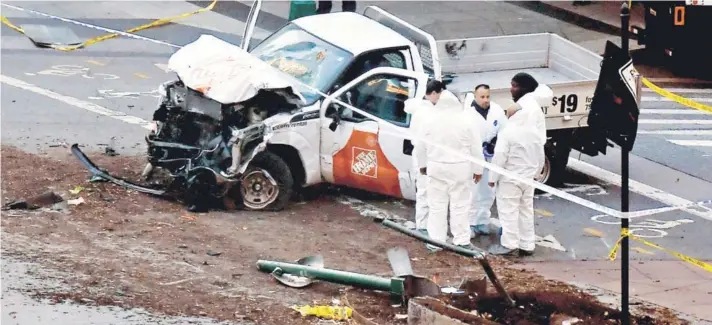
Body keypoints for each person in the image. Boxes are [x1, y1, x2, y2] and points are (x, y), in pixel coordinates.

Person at [415, 80, 484, 252]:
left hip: (436, 166)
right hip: (460, 168)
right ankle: (461, 240)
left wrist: (423, 165)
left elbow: (420, 146)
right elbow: (476, 147)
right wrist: (478, 170)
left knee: (437, 206)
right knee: (460, 205)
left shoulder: (429, 119)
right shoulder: (466, 119)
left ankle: (436, 241)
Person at [486, 74, 549, 256]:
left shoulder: (508, 133)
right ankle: (527, 244)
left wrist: (492, 179)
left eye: (514, 86)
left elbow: (499, 158)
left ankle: (509, 244)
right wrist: (535, 173)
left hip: (509, 178)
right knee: (526, 210)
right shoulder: (534, 132)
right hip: (527, 177)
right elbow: (540, 156)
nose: (511, 89)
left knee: (508, 211)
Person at [464, 84, 507, 237]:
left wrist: (495, 142)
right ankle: (469, 223)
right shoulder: (467, 113)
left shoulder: (497, 111)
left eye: (488, 96)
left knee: (489, 191)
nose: (485, 100)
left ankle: (482, 220)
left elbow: (504, 130)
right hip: (474, 156)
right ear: (475, 96)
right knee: (472, 191)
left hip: (491, 155)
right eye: (482, 97)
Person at [405, 79, 443, 236]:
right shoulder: (424, 112)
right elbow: (421, 141)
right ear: (433, 93)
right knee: (425, 191)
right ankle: (422, 225)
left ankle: (426, 224)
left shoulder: (422, 109)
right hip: (424, 156)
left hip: (429, 155)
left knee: (429, 191)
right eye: (440, 95)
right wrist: (423, 164)